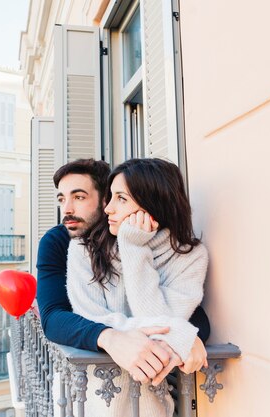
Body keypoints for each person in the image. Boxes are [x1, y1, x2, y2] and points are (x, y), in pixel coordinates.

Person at [36, 159, 209, 388]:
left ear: (103, 198)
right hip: (90, 386)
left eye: (79, 197)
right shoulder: (64, 243)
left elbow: (186, 315)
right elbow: (55, 317)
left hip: (151, 390)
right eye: (61, 199)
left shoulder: (187, 254)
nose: (66, 209)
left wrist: (193, 335)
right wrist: (180, 334)